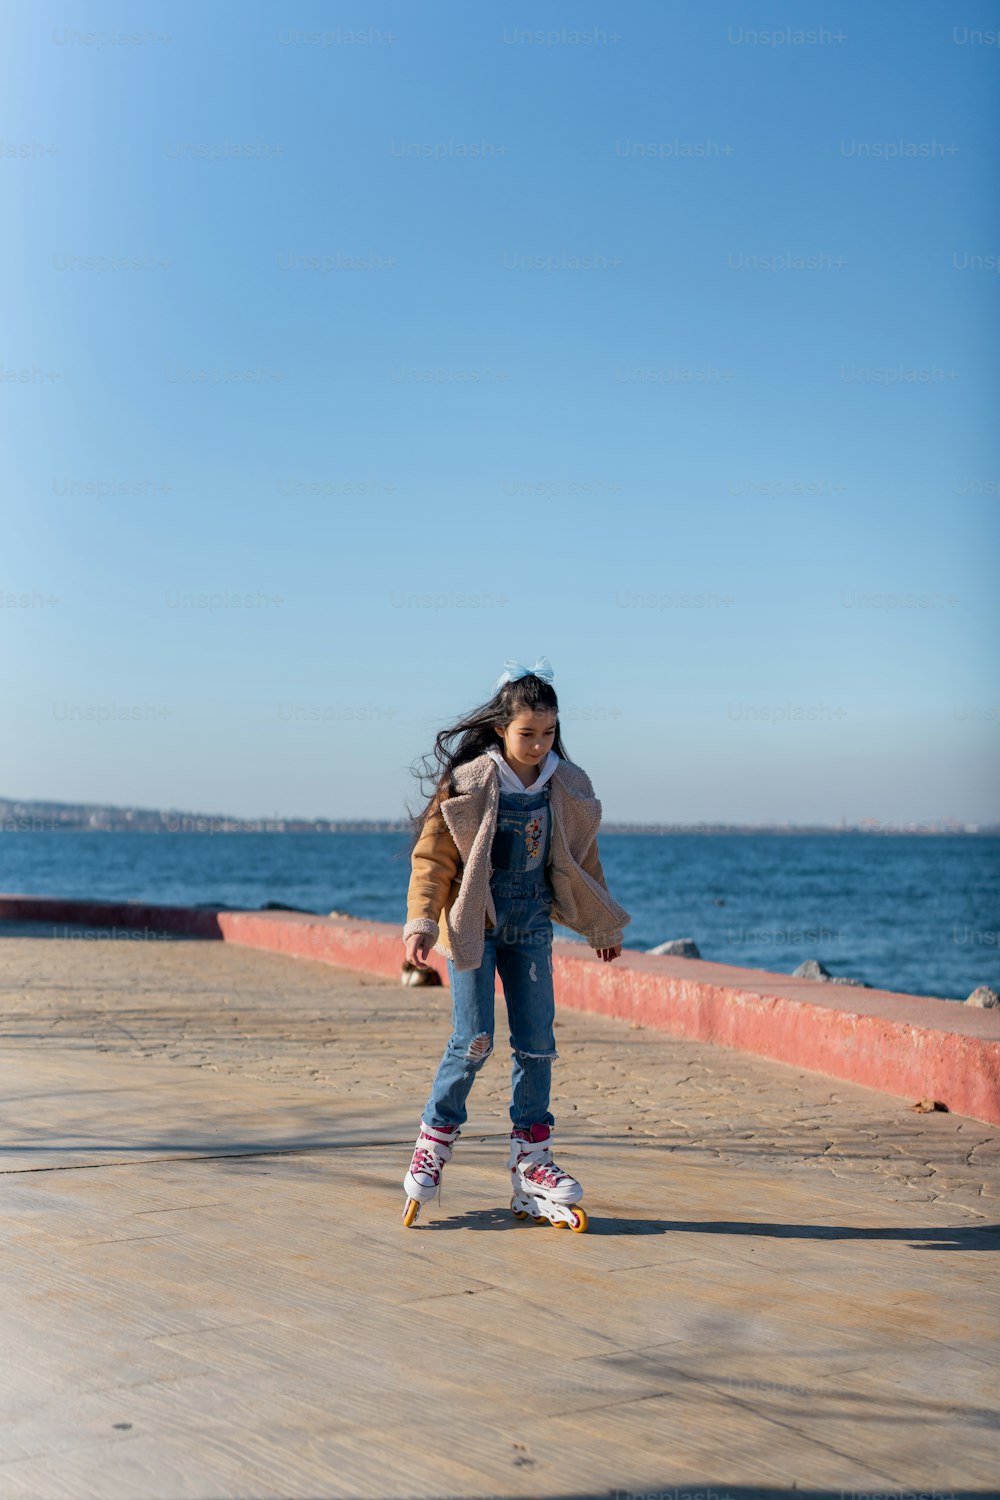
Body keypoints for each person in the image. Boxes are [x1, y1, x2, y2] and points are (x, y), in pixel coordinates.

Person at [400, 656, 631, 1230]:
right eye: (527, 733)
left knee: (537, 1042)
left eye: (548, 732)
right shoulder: (471, 783)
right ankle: (434, 1141)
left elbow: (582, 860)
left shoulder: (567, 786)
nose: (538, 744)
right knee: (473, 1039)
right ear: (502, 728)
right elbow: (433, 860)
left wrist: (602, 926)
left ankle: (533, 1158)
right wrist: (421, 922)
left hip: (531, 926)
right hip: (474, 922)